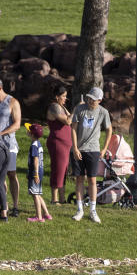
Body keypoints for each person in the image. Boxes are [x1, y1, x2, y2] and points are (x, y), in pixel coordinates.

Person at [71, 86, 113, 224]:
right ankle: (79, 210)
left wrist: (104, 148)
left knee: (92, 180)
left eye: (94, 100)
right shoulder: (80, 109)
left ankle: (93, 211)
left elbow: (109, 130)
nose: (90, 101)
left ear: (99, 100)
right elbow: (73, 129)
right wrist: (75, 148)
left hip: (93, 150)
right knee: (79, 179)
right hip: (79, 150)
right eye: (89, 98)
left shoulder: (103, 112)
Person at [0, 77, 22, 216]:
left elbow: (17, 124)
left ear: (0, 87)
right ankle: (4, 206)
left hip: (9, 144)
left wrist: (0, 133)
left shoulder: (12, 102)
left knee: (11, 174)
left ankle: (15, 206)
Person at [45, 85, 73, 205]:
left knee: (64, 170)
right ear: (57, 97)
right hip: (57, 143)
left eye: (66, 96)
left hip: (65, 144)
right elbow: (68, 121)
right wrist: (77, 108)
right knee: (58, 169)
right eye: (63, 96)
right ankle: (54, 199)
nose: (65, 98)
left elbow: (70, 119)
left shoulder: (62, 107)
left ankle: (62, 198)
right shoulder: (54, 107)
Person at [25, 123, 51, 223]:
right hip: (39, 171)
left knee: (35, 194)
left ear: (31, 134)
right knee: (38, 193)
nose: (27, 131)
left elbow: (35, 160)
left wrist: (35, 173)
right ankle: (47, 214)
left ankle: (39, 217)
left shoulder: (33, 146)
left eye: (28, 130)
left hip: (35, 172)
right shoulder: (38, 143)